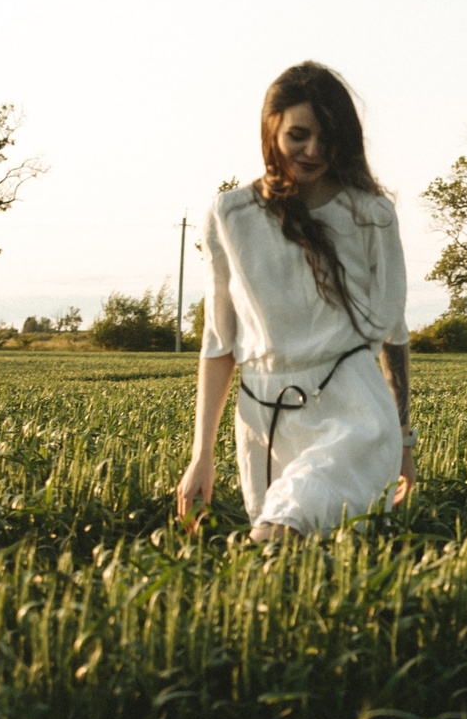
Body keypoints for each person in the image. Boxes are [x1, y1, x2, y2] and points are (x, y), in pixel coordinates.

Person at [174, 62, 415, 541]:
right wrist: (202, 454)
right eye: (299, 135)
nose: (313, 151)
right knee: (301, 550)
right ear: (271, 129)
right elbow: (218, 342)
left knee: (280, 531)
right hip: (265, 419)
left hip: (353, 412)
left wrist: (404, 442)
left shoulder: (371, 216)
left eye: (327, 139)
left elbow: (396, 335)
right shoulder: (230, 215)